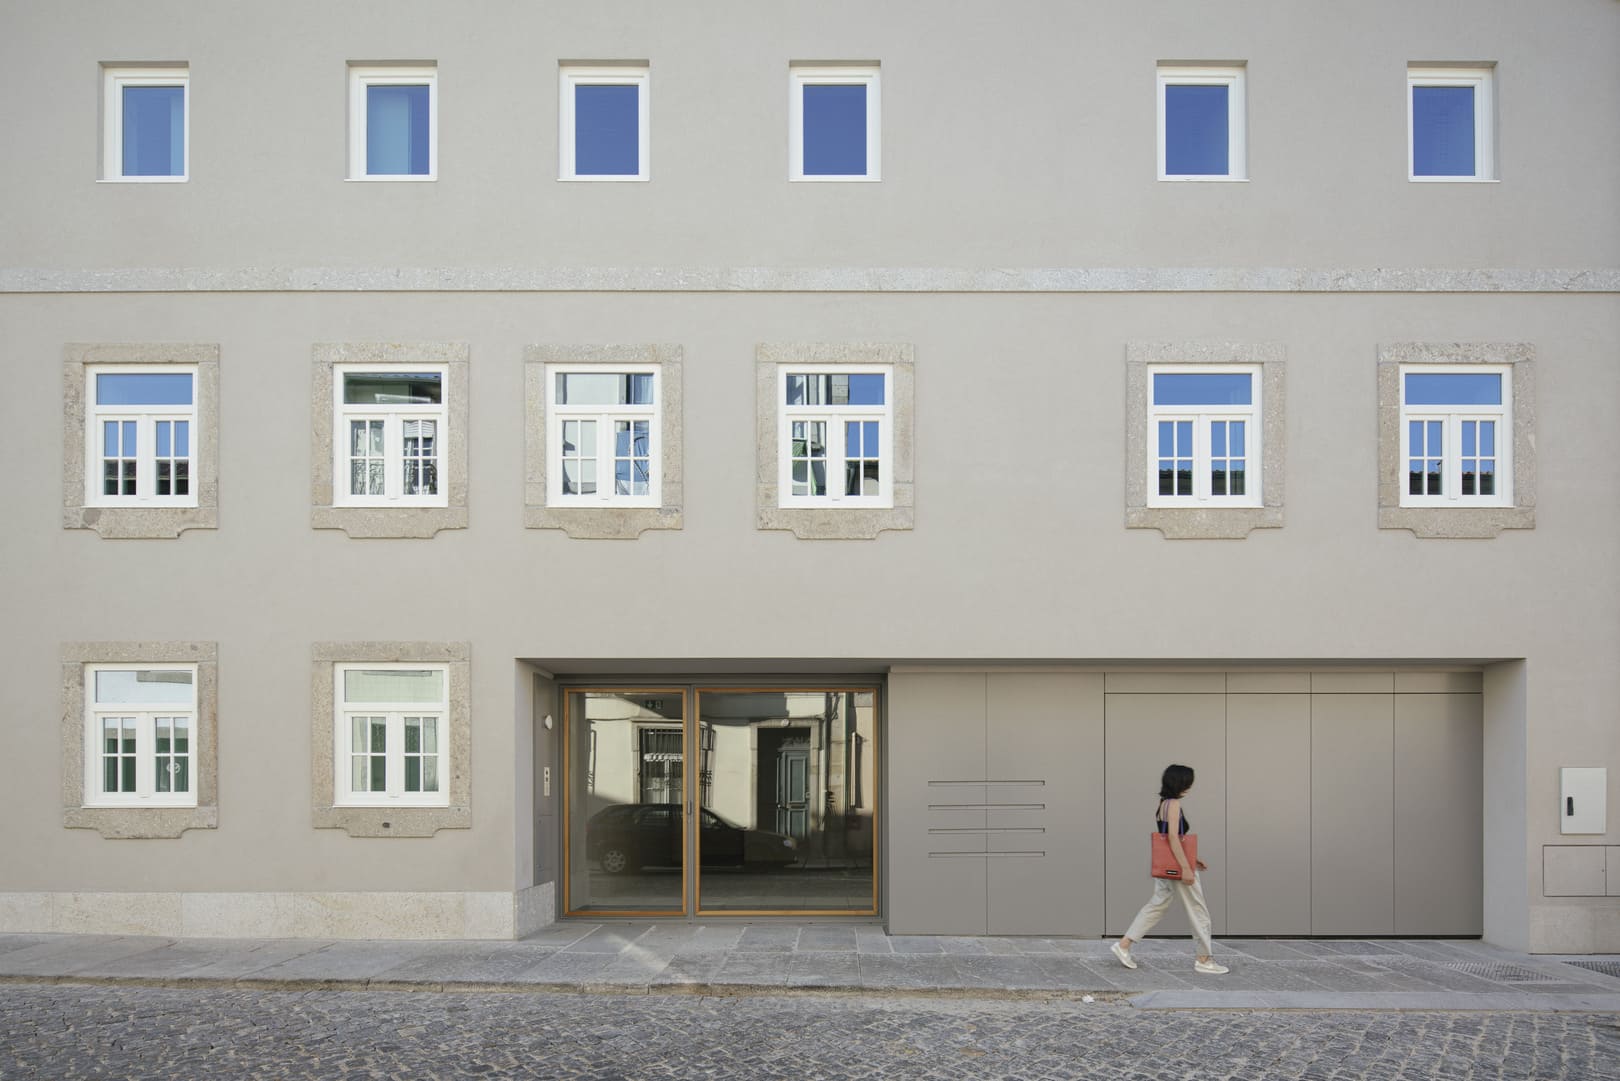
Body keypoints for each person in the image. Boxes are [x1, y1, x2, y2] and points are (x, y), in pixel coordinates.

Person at [1110, 763, 1228, 975]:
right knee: (1198, 911)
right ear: (1181, 783)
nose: (1190, 786)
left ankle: (1124, 945)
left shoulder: (1162, 804)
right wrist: (1186, 868)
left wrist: (1194, 859)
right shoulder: (1173, 804)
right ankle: (1204, 959)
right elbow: (1173, 837)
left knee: (1156, 906)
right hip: (1177, 870)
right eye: (1188, 782)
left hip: (1167, 867)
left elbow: (1170, 839)